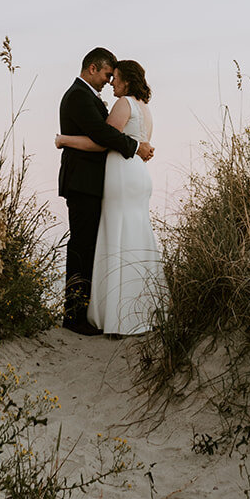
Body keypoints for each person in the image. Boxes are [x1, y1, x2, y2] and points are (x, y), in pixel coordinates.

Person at [56, 58, 164, 336]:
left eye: (114, 77)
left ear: (126, 79)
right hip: (135, 176)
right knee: (135, 235)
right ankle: (144, 309)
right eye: (107, 75)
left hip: (121, 176)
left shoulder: (122, 103)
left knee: (115, 237)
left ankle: (108, 314)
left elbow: (105, 138)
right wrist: (138, 147)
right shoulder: (143, 108)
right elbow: (126, 140)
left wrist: (63, 140)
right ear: (93, 68)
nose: (110, 81)